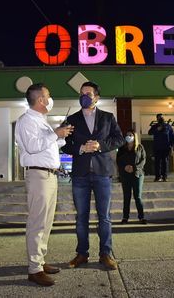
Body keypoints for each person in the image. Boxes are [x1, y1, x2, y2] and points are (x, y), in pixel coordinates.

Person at [62, 81, 125, 271]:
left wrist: (101, 145)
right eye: (82, 93)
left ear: (96, 97)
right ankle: (82, 254)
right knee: (81, 217)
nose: (84, 96)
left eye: (88, 93)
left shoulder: (108, 117)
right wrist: (80, 148)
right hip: (80, 175)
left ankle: (106, 254)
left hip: (102, 174)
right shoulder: (72, 119)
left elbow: (119, 139)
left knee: (104, 217)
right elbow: (64, 144)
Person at [15, 83, 74, 286]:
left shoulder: (41, 121)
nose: (50, 98)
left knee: (47, 222)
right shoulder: (26, 121)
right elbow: (32, 148)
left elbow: (46, 145)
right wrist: (55, 134)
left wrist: (60, 136)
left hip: (49, 175)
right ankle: (34, 269)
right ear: (40, 100)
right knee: (37, 223)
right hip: (38, 176)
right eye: (48, 95)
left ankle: (39, 261)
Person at [116, 130, 147, 224]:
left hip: (137, 174)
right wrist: (125, 167)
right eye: (127, 135)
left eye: (130, 135)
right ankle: (125, 217)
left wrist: (134, 168)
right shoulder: (122, 148)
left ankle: (141, 217)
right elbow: (118, 160)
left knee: (137, 196)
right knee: (127, 196)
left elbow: (143, 160)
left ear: (134, 136)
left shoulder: (140, 147)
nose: (128, 136)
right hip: (125, 175)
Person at [148, 113, 174, 182]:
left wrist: (172, 147)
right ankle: (157, 177)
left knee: (165, 162)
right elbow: (149, 132)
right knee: (157, 163)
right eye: (159, 117)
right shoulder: (155, 126)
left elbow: (172, 136)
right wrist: (157, 129)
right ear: (157, 119)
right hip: (157, 147)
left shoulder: (168, 126)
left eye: (162, 117)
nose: (161, 118)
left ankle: (164, 177)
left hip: (166, 148)